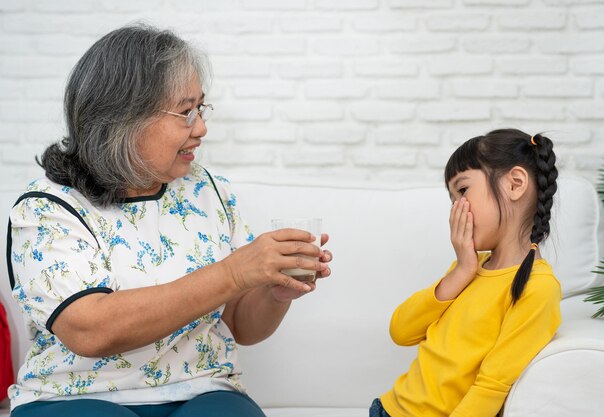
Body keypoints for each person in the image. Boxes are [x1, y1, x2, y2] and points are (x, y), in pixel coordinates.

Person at [6, 24, 332, 417]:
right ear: (124, 118)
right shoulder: (46, 208)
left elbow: (243, 327)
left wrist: (274, 292)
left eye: (201, 108)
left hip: (202, 390)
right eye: (185, 112)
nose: (202, 128)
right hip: (73, 398)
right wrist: (235, 272)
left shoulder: (209, 191)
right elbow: (91, 330)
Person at [370, 129, 561, 417]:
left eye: (462, 190)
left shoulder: (538, 288)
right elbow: (401, 331)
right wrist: (461, 271)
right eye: (451, 199)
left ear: (515, 184)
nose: (456, 208)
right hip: (387, 408)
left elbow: (491, 387)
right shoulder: (469, 267)